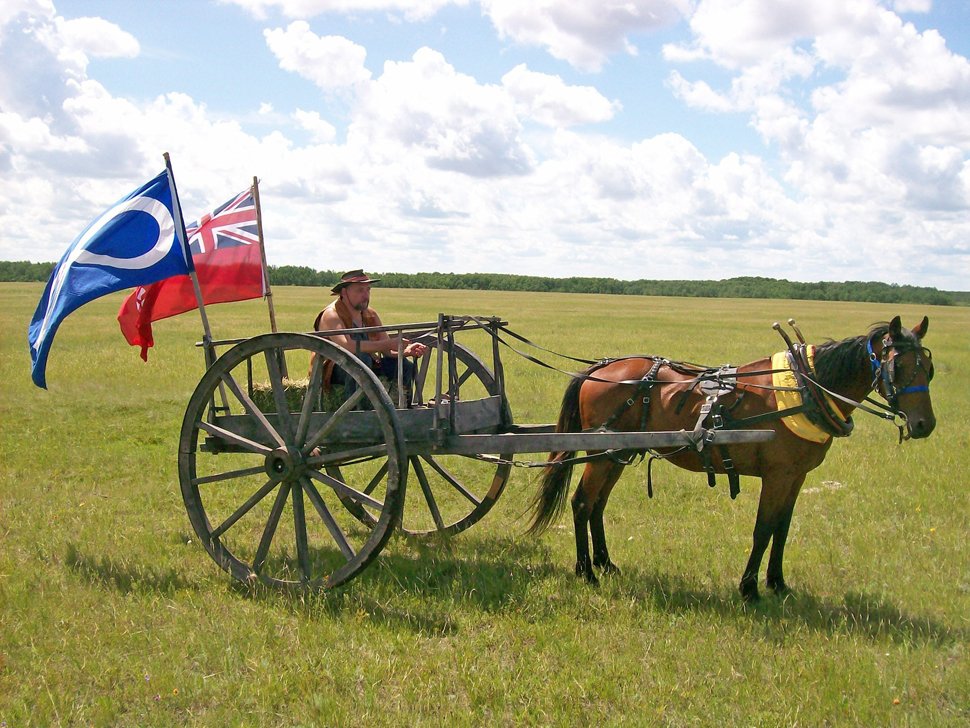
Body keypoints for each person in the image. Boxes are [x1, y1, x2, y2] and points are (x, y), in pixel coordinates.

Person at [312, 270, 427, 404]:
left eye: (368, 290)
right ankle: (357, 413)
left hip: (366, 365)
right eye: (359, 290)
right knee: (361, 359)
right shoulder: (331, 314)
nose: (365, 295)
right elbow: (347, 346)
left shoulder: (370, 314)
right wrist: (386, 344)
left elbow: (387, 350)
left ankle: (401, 410)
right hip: (335, 370)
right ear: (344, 292)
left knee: (405, 366)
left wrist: (406, 351)